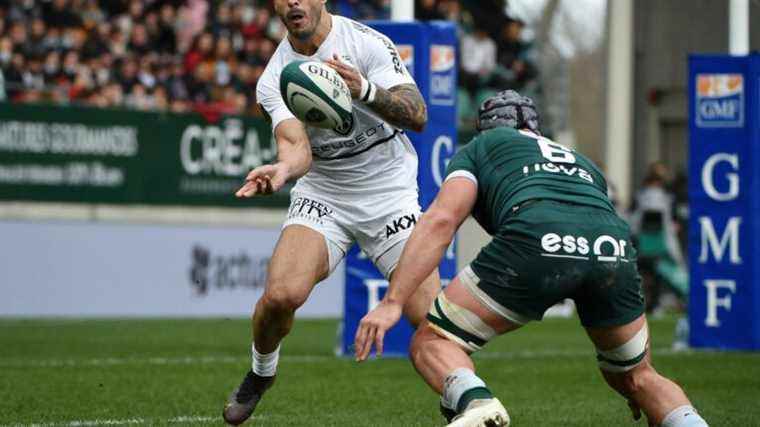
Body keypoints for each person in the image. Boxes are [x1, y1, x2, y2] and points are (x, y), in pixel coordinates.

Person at [354, 91, 708, 427]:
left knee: (432, 341)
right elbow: (593, 216)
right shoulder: (581, 161)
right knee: (638, 374)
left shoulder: (483, 146)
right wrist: (630, 381)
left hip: (537, 238)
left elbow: (442, 220)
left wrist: (393, 301)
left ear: (486, 126)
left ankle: (476, 402)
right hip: (611, 247)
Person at [222, 0, 441, 424]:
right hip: (326, 190)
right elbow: (296, 146)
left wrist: (364, 90)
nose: (293, 3)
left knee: (430, 318)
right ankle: (261, 373)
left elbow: (417, 115)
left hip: (388, 191)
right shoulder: (274, 78)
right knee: (280, 297)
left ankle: (466, 401)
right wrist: (282, 170)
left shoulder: (366, 43)